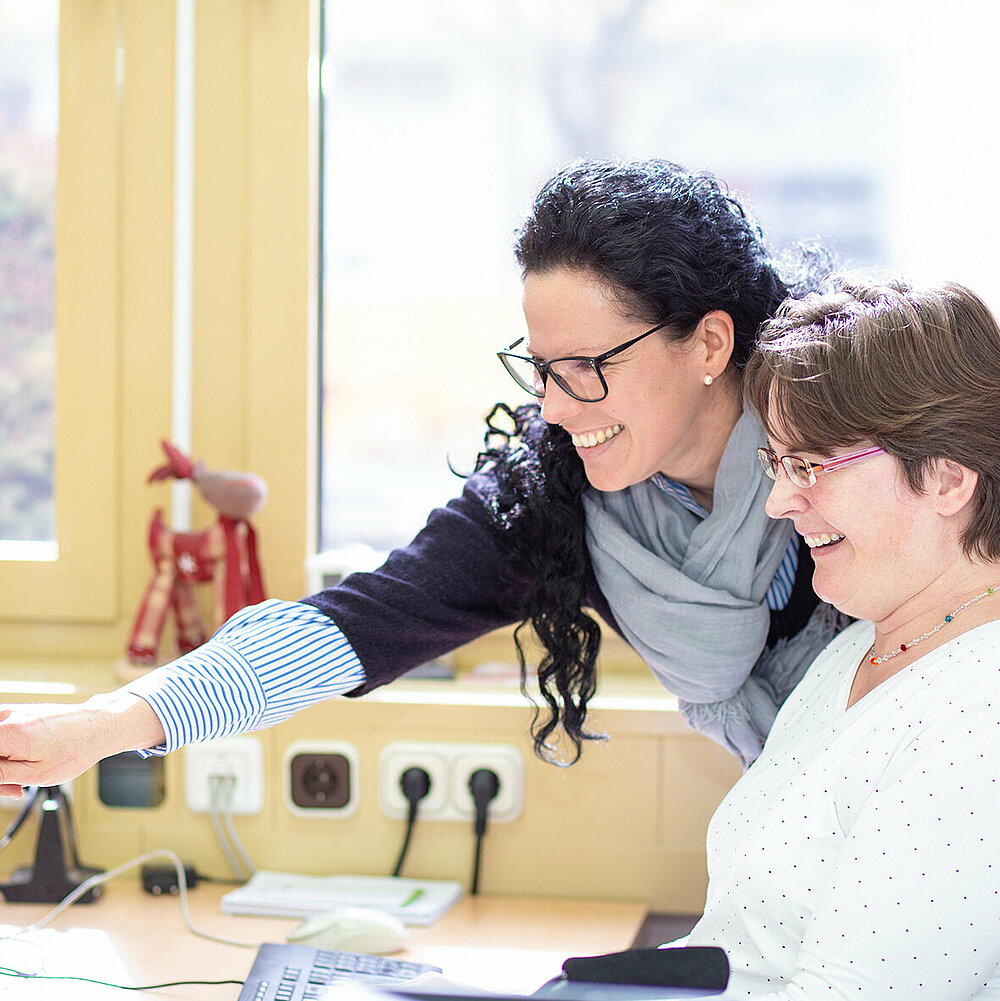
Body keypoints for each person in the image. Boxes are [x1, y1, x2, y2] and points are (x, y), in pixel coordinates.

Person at [0, 159, 843, 796]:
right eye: (540, 368)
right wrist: (104, 725)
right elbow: (346, 626)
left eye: (587, 366)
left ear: (709, 343)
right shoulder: (554, 497)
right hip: (780, 830)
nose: (552, 408)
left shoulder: (855, 437)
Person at [683, 276, 1000, 998]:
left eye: (811, 465)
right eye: (778, 462)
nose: (778, 499)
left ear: (948, 478)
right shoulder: (858, 650)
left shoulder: (984, 719)